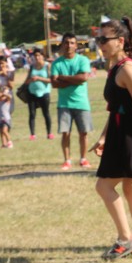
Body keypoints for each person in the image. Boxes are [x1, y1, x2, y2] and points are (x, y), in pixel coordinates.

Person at [90, 17, 132, 259]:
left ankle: (125, 238)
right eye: (98, 38)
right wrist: (103, 137)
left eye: (104, 39)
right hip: (120, 134)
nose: (100, 43)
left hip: (131, 137)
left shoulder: (128, 69)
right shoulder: (115, 68)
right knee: (131, 190)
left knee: (103, 186)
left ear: (119, 41)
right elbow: (118, 108)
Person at [51, 33, 93, 170]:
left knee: (84, 133)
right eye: (66, 42)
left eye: (72, 43)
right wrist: (74, 80)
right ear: (62, 45)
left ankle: (83, 158)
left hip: (81, 103)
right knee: (65, 133)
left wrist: (63, 78)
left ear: (76, 45)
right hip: (64, 104)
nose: (69, 45)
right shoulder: (57, 63)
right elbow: (54, 83)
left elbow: (84, 78)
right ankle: (67, 160)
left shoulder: (83, 60)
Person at [23, 49, 53, 141]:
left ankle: (49, 133)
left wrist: (39, 78)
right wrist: (29, 80)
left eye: (39, 55)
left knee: (46, 113)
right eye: (35, 56)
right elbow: (27, 81)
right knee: (32, 114)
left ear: (43, 56)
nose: (37, 57)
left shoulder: (47, 66)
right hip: (32, 92)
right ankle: (32, 134)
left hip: (44, 92)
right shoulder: (32, 67)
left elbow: (51, 80)